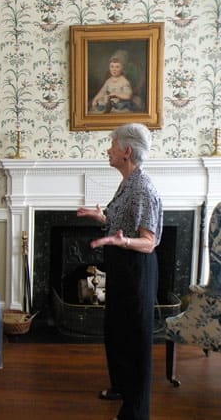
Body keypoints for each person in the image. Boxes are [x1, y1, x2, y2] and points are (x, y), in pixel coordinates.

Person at [77, 123, 163, 420]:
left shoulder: (143, 187)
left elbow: (149, 242)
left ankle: (136, 412)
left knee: (135, 340)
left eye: (113, 144)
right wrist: (101, 216)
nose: (108, 149)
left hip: (136, 269)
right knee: (116, 332)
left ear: (126, 151)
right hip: (121, 265)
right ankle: (120, 387)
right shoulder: (128, 182)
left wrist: (122, 240)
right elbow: (118, 220)